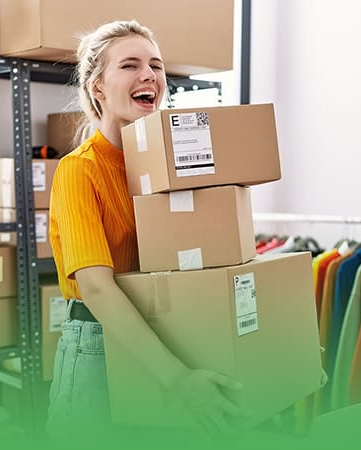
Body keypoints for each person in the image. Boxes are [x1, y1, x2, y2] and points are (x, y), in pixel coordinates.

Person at [46, 20, 243, 440]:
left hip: (167, 332)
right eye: (130, 65)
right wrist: (176, 381)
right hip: (101, 341)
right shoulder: (80, 170)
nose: (149, 75)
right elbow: (97, 287)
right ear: (98, 87)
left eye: (156, 65)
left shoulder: (170, 167)